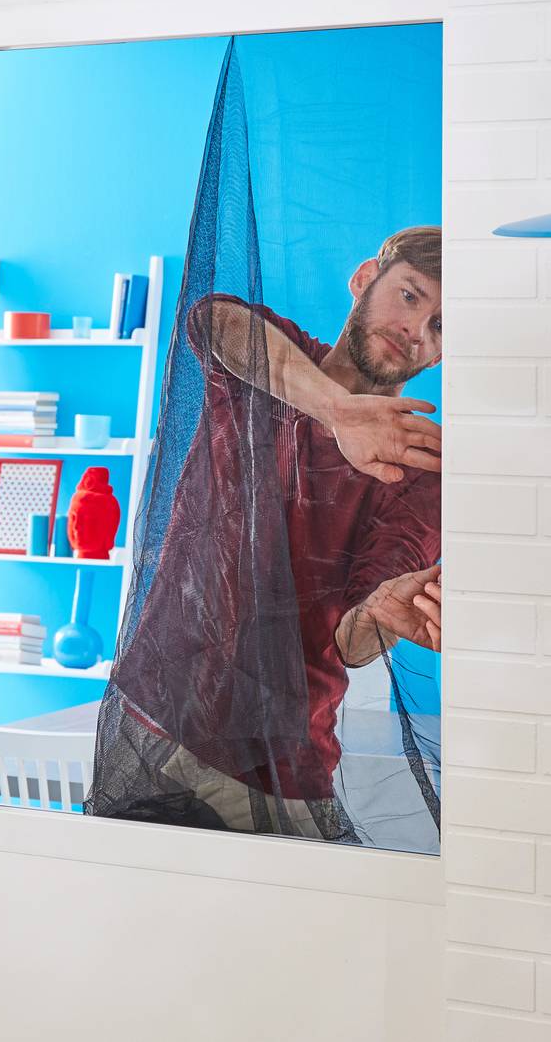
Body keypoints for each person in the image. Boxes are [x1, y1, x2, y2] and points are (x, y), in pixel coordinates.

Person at [88, 226, 444, 841]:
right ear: (365, 278)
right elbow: (210, 319)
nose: (417, 328)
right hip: (151, 722)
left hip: (274, 766)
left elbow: (352, 640)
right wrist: (338, 412)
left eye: (442, 326)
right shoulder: (274, 363)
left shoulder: (418, 470)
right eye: (411, 296)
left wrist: (384, 615)